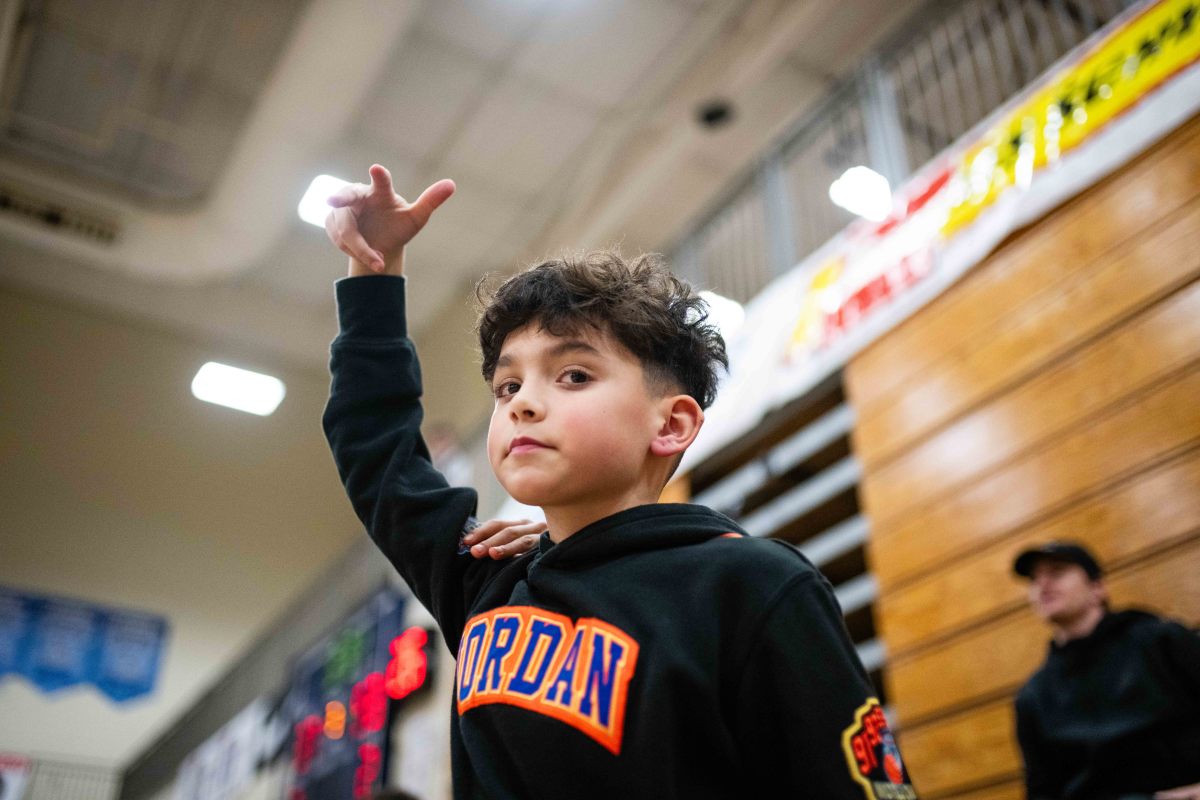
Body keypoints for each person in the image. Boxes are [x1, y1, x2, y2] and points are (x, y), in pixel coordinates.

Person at [320, 165, 916, 799]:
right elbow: (378, 450)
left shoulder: (754, 585)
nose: (522, 403)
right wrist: (375, 275)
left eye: (573, 375)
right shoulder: (485, 578)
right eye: (508, 386)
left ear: (672, 424)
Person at [1012, 541, 1200, 800]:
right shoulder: (1033, 697)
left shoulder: (1161, 641)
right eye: (1034, 579)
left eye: (1057, 572)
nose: (1042, 585)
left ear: (1097, 587)